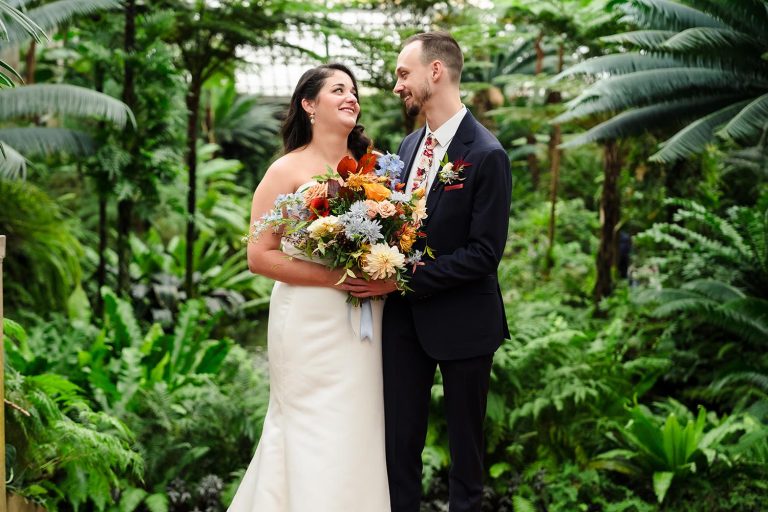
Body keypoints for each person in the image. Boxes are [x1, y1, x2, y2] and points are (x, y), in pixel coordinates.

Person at [343, 32, 512, 512]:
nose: (398, 86)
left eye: (403, 74)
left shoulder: (487, 154)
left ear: (434, 72)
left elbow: (484, 253)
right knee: (398, 451)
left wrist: (399, 279)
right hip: (403, 326)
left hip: (465, 325)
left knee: (466, 458)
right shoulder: (409, 143)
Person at [228, 63, 390, 512]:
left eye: (354, 91)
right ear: (308, 104)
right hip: (307, 321)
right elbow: (259, 254)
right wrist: (338, 277)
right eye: (338, 89)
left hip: (363, 320)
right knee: (308, 426)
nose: (351, 97)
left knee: (357, 425)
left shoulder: (369, 171)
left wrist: (384, 269)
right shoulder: (285, 170)